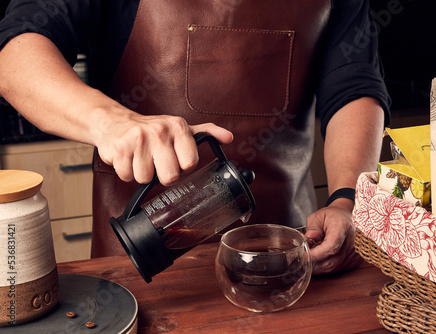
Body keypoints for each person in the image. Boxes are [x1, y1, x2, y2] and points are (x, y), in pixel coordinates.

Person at [0, 0, 390, 275]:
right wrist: (109, 120)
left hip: (288, 257)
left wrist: (346, 201)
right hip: (136, 265)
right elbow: (15, 55)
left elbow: (354, 88)